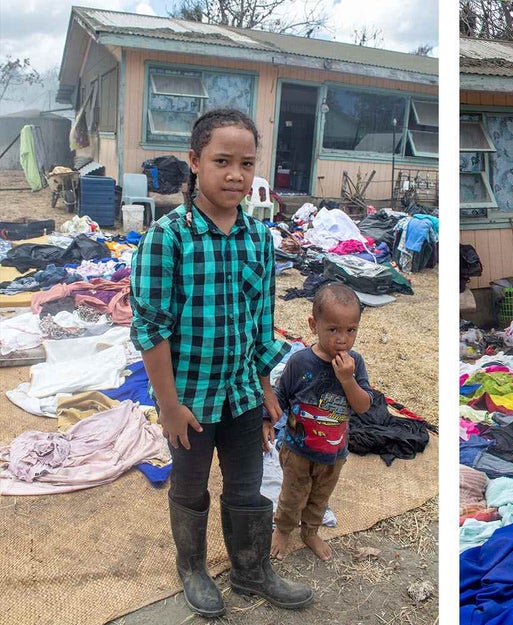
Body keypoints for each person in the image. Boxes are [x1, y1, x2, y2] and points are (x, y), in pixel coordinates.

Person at [130, 109, 313, 618]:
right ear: (194, 162)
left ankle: (252, 570)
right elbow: (150, 329)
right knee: (190, 489)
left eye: (247, 163)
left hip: (240, 395)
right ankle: (191, 568)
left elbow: (260, 322)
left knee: (246, 488)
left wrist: (265, 391)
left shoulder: (258, 239)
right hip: (189, 398)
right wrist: (167, 406)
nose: (235, 174)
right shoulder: (168, 238)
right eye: (222, 161)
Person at [268, 282, 371, 562]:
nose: (342, 339)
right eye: (333, 329)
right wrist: (267, 420)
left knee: (320, 496)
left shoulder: (355, 364)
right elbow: (281, 395)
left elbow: (363, 406)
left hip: (334, 453)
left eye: (350, 330)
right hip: (298, 449)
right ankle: (283, 529)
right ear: (314, 325)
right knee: (292, 494)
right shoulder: (300, 362)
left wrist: (347, 380)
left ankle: (310, 531)